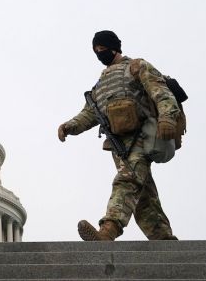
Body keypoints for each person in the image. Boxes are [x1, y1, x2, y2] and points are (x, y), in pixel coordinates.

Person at [58, 30, 180, 241]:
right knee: (143, 196)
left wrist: (167, 118)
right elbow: (90, 112)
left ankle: (108, 230)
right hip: (119, 144)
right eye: (96, 50)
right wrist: (70, 126)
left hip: (142, 136)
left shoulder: (136, 66)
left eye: (102, 48)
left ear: (114, 47)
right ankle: (164, 240)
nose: (99, 53)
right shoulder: (101, 83)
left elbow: (161, 92)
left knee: (126, 181)